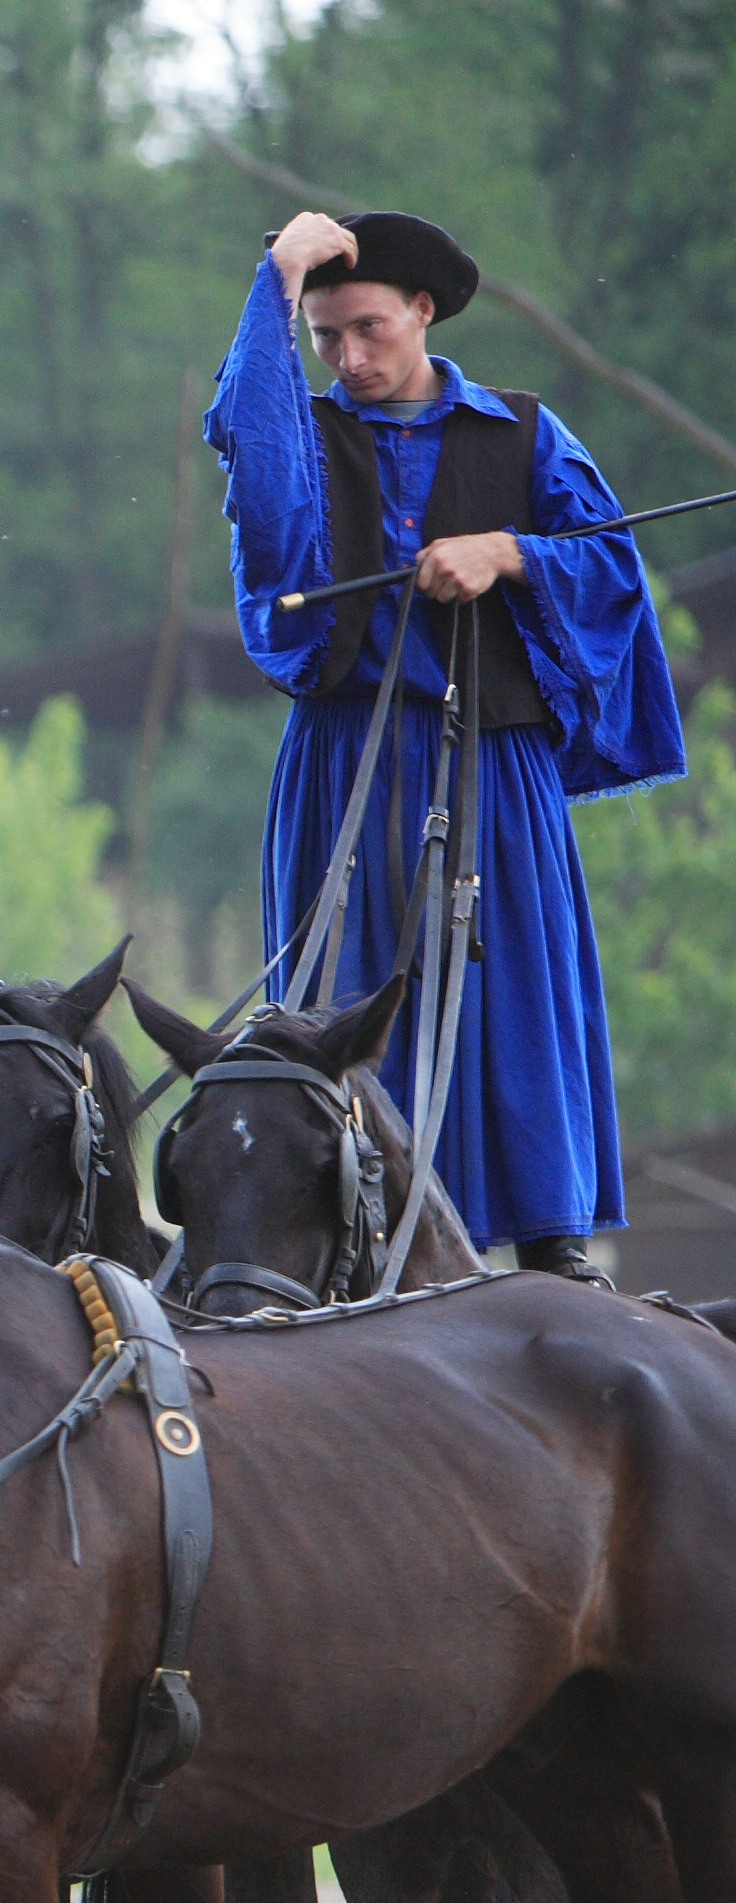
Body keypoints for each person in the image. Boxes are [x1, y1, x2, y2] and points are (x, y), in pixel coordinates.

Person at [209, 210, 686, 1284]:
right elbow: (250, 446)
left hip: (494, 770)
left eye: (370, 329)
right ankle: (351, 1256)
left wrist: (512, 552)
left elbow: (613, 579)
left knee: (512, 997)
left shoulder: (524, 433)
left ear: (423, 310)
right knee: (348, 1011)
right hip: (345, 771)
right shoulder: (300, 435)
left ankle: (550, 1253)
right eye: (326, 336)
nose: (351, 358)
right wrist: (276, 276)